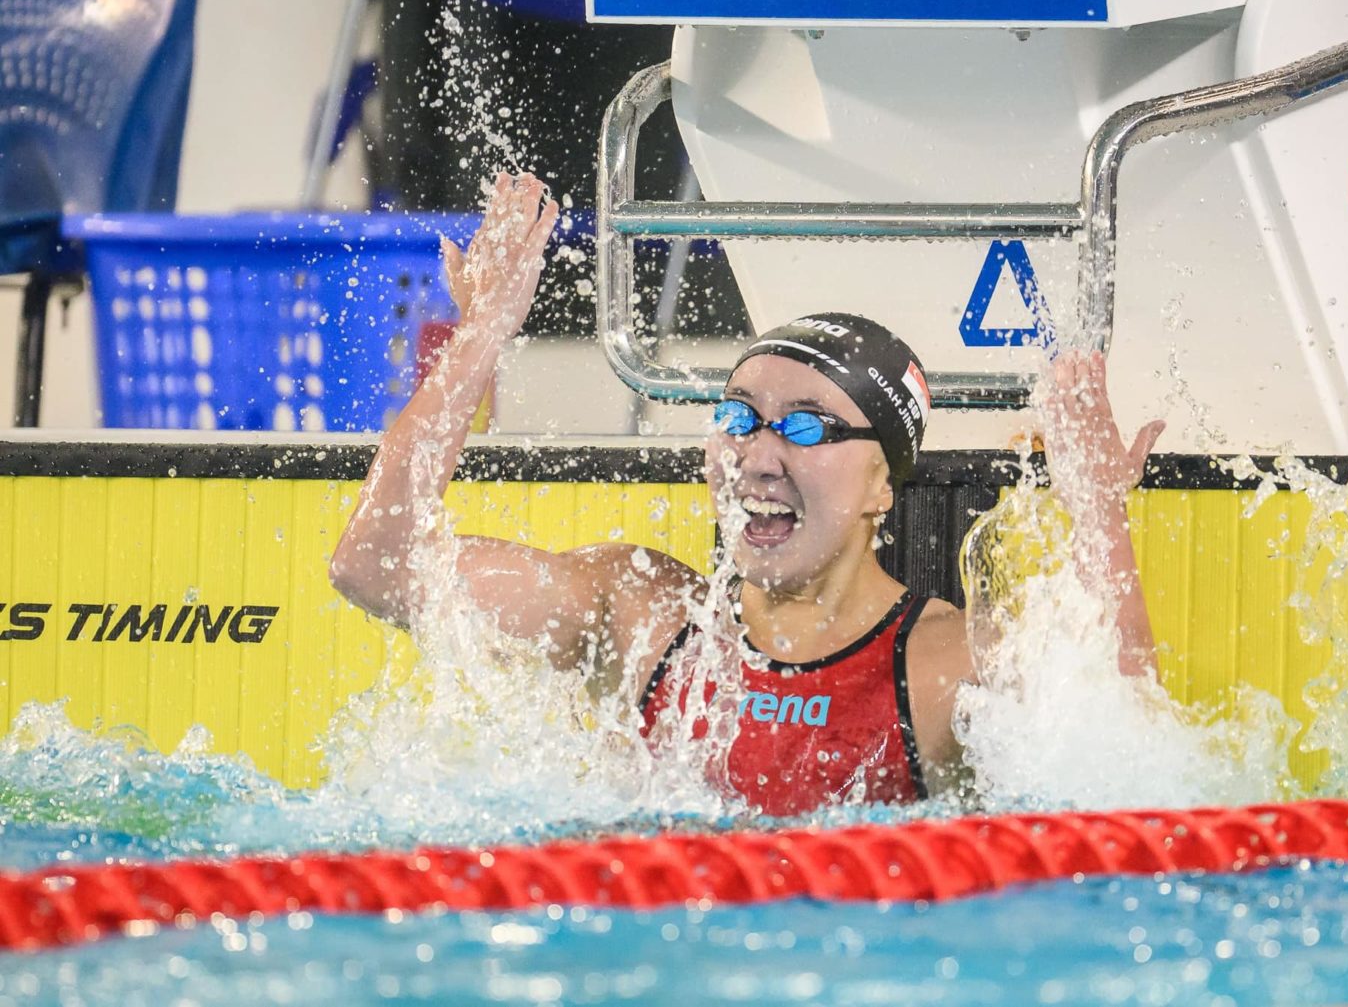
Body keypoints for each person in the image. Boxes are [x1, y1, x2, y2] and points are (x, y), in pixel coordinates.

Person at [329, 172, 1164, 815]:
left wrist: (1097, 510)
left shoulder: (945, 666)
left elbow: (1126, 748)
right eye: (739, 416)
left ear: (881, 485)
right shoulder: (640, 616)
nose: (760, 452)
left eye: (806, 427)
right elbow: (377, 567)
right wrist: (479, 338)